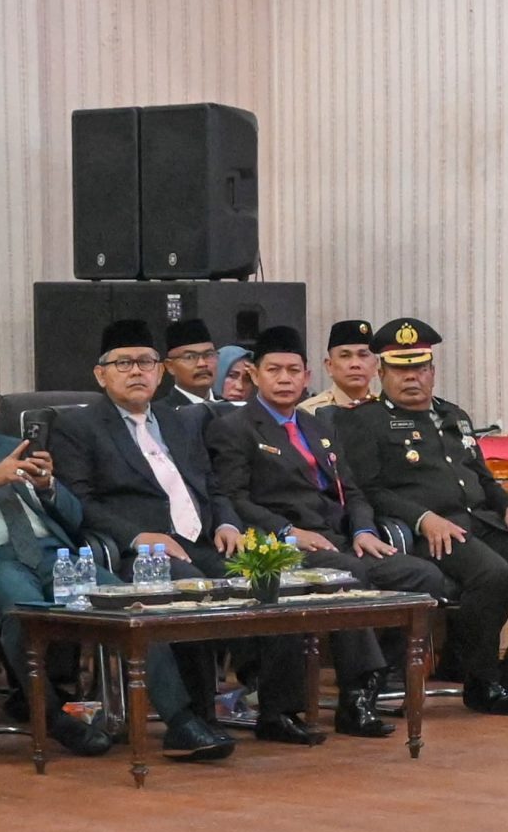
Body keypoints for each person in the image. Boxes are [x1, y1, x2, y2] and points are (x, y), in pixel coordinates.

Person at [48, 317, 324, 746]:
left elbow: (213, 486)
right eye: (123, 364)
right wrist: (138, 537)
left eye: (145, 362)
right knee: (193, 590)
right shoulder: (78, 427)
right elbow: (79, 502)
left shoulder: (180, 421)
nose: (136, 372)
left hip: (202, 541)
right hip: (139, 553)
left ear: (160, 371)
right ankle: (193, 720)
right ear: (100, 375)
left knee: (272, 581)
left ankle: (278, 712)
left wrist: (228, 521)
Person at [0, 347, 233, 761]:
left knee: (130, 607)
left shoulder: (14, 445)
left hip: (54, 556)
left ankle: (181, 720)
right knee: (24, 611)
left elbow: (75, 514)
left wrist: (48, 487)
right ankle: (55, 718)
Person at [203, 325, 450, 736]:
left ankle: (377, 685)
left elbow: (351, 490)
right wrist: (289, 531)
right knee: (347, 575)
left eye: (293, 371)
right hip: (279, 545)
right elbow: (232, 498)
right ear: (254, 375)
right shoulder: (235, 427)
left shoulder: (317, 424)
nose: (284, 379)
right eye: (274, 370)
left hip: (337, 538)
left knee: (420, 575)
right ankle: (355, 694)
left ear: (307, 376)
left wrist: (364, 530)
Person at [335, 317, 508, 714]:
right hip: (429, 533)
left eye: (419, 368)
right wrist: (423, 518)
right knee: (492, 574)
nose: (411, 377)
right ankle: (480, 682)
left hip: (481, 522)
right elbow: (368, 489)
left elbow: (482, 477)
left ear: (432, 371)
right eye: (400, 369)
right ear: (381, 373)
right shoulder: (364, 421)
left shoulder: (454, 416)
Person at [302, 318, 377, 414]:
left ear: (376, 365)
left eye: (363, 355)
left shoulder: (388, 411)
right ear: (329, 366)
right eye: (345, 356)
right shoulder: (309, 413)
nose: (355, 364)